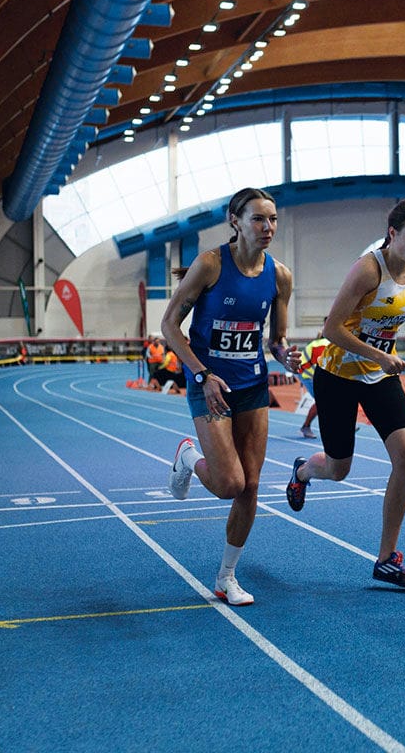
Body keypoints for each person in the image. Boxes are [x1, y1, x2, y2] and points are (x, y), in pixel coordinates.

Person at [286, 199, 405, 590]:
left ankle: (387, 558)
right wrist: (379, 354)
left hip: (379, 376)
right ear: (392, 234)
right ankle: (303, 470)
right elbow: (332, 329)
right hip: (337, 374)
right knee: (338, 470)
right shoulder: (368, 269)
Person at [163, 187, 298, 607]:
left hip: (252, 385)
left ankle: (226, 577)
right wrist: (202, 374)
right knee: (228, 483)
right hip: (210, 383)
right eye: (259, 218)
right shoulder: (209, 264)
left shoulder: (280, 276)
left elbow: (276, 339)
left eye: (273, 219)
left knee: (251, 486)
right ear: (235, 221)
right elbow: (170, 326)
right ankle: (188, 455)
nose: (268, 227)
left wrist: (284, 354)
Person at [296, 332, 330, 438]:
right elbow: (322, 362)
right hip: (308, 374)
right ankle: (306, 427)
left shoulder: (319, 343)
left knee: (327, 400)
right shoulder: (324, 344)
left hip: (308, 373)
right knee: (322, 401)